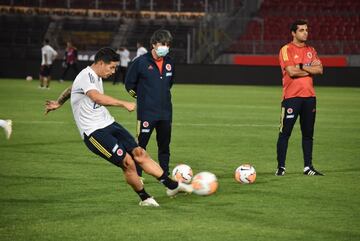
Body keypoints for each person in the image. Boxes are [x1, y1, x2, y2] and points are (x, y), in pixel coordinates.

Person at [45, 47, 192, 206]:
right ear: (101, 63)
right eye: (112, 67)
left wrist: (59, 102)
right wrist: (123, 103)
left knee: (139, 153)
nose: (114, 71)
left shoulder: (93, 76)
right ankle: (144, 198)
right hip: (93, 132)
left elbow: (71, 88)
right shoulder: (86, 76)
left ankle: (172, 186)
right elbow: (96, 98)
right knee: (127, 162)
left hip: (108, 123)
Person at [275, 19, 324, 176]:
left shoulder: (311, 50)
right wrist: (310, 69)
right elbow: (291, 72)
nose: (305, 32)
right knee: (285, 133)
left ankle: (308, 167)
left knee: (308, 134)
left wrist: (302, 66)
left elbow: (320, 69)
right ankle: (281, 167)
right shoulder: (286, 49)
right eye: (302, 30)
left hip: (310, 98)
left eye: (306, 30)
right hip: (291, 97)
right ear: (293, 33)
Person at [125, 29, 174, 180]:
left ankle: (165, 174)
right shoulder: (140, 62)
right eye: (162, 44)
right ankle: (137, 175)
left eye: (167, 44)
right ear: (153, 44)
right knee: (140, 147)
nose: (165, 47)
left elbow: (168, 85)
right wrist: (143, 99)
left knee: (164, 146)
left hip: (165, 113)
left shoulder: (170, 63)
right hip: (147, 113)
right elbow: (128, 85)